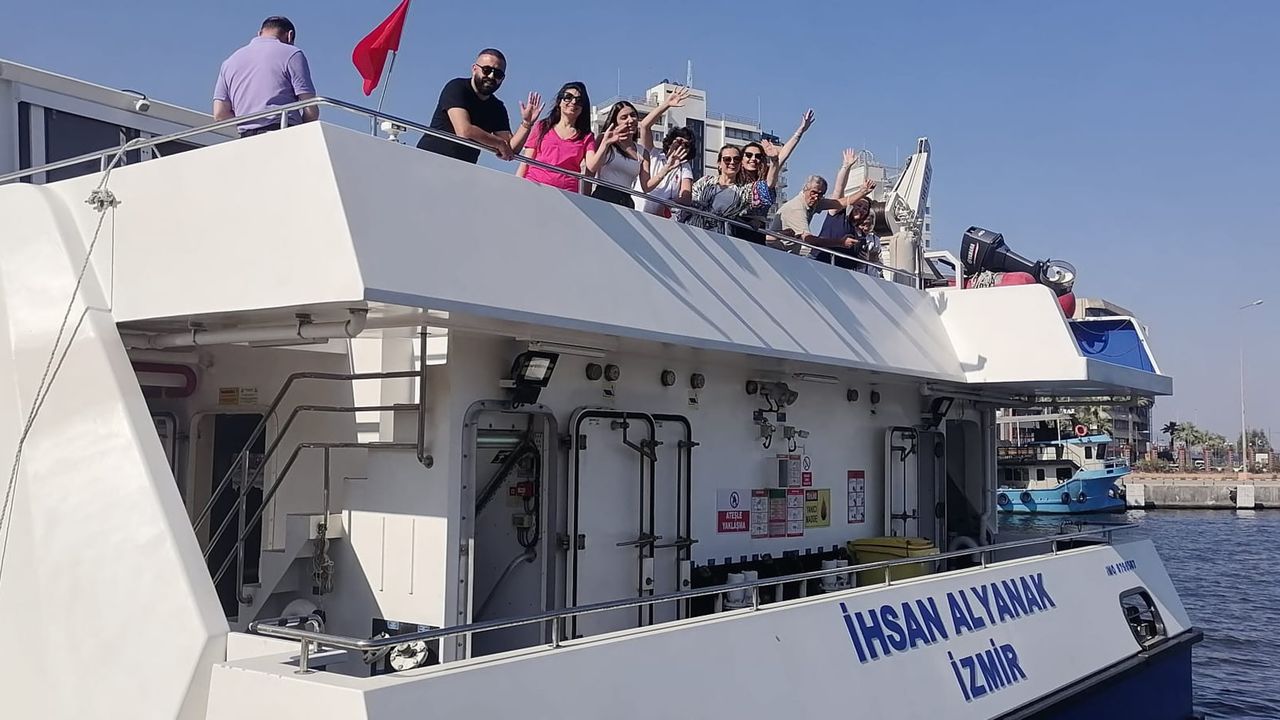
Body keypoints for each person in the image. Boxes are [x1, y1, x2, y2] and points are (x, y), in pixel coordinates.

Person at [417, 49, 542, 163]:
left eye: (498, 74)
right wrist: (499, 143)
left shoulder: (497, 107)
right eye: (486, 70)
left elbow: (510, 149)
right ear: (474, 69)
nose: (491, 76)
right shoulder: (457, 88)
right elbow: (464, 130)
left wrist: (526, 124)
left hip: (463, 169)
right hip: (429, 159)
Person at [213, 16, 318, 138]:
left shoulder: (229, 62)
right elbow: (310, 108)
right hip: (282, 133)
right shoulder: (292, 53)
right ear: (290, 35)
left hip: (246, 139)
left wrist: (248, 123)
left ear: (259, 34)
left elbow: (220, 114)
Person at [733, 109, 815, 244]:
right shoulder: (734, 177)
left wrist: (800, 131)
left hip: (757, 233)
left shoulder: (764, 178)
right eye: (748, 155)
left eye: (758, 156)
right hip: (733, 228)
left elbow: (782, 157)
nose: (753, 159)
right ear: (742, 158)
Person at [585, 101, 686, 207]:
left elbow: (646, 187)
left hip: (626, 200)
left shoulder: (642, 152)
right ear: (615, 122)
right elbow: (591, 169)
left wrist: (666, 168)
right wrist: (606, 143)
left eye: (633, 115)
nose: (630, 120)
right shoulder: (604, 139)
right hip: (604, 196)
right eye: (624, 117)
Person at [768, 169, 875, 255]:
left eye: (820, 194)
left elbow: (840, 203)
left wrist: (863, 191)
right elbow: (809, 239)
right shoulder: (797, 209)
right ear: (805, 189)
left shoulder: (814, 202)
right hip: (775, 253)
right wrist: (840, 242)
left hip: (788, 254)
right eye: (813, 192)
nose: (816, 197)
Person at [516, 82, 595, 193]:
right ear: (559, 102)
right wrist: (516, 186)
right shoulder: (542, 126)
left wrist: (605, 143)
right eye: (568, 97)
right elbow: (526, 161)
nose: (573, 102)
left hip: (567, 194)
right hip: (534, 187)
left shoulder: (586, 136)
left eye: (579, 100)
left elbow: (591, 166)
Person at [634, 88, 695, 216]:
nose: (682, 146)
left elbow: (686, 197)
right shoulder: (653, 153)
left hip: (660, 219)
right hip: (636, 211)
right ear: (670, 141)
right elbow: (644, 126)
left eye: (686, 145)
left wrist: (667, 203)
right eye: (679, 141)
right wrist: (666, 104)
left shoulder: (684, 167)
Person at [679, 145, 751, 234]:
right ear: (719, 163)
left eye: (736, 159)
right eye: (727, 159)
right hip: (694, 230)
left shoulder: (744, 191)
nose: (732, 162)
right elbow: (690, 202)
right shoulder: (706, 181)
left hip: (721, 235)